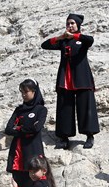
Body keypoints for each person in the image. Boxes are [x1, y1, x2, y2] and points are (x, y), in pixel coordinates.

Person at [41, 13, 98, 149]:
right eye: (68, 23)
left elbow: (90, 40)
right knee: (64, 108)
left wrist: (75, 36)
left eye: (72, 23)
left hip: (81, 79)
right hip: (65, 80)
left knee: (85, 107)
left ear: (78, 25)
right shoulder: (63, 41)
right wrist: (60, 37)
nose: (70, 26)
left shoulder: (82, 40)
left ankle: (89, 136)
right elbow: (45, 45)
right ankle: (64, 137)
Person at [5, 79, 47, 187]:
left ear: (34, 92)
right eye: (22, 91)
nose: (23, 94)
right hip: (18, 158)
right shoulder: (19, 110)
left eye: (26, 91)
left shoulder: (41, 109)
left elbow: (37, 128)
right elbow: (8, 129)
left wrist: (19, 128)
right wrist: (25, 129)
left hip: (33, 157)